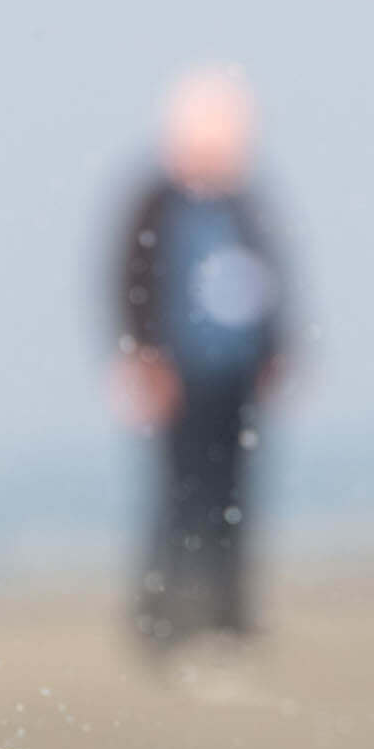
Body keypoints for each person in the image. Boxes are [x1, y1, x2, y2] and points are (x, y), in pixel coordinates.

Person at [109, 67, 292, 662]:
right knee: (180, 500)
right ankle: (166, 623)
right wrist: (142, 359)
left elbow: (272, 278)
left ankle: (225, 622)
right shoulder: (154, 202)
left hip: (236, 373)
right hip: (176, 376)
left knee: (232, 498)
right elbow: (127, 284)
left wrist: (277, 348)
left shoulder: (244, 203)